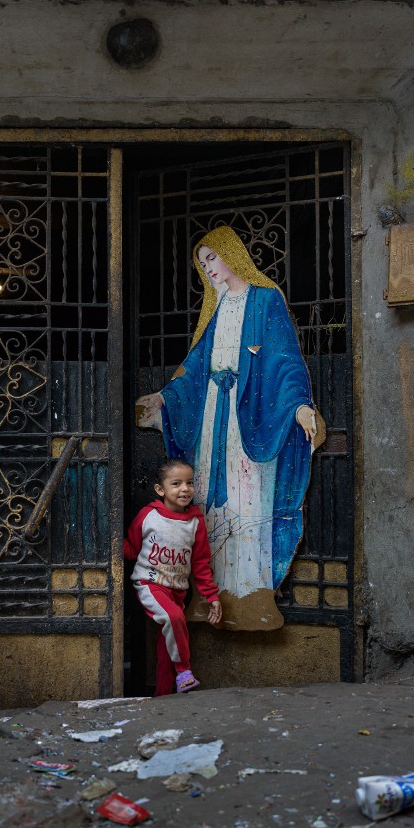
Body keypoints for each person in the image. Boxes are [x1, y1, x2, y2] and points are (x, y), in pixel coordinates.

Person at [136, 225, 317, 632]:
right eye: (202, 264)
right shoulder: (215, 311)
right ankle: (206, 594)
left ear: (232, 254)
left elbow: (285, 360)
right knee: (206, 503)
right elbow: (196, 367)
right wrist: (164, 398)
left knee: (247, 499)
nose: (209, 269)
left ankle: (253, 596)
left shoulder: (266, 300)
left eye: (212, 258)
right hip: (212, 419)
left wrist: (300, 406)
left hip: (250, 417)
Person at [124, 458, 222, 696]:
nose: (184, 489)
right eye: (176, 483)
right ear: (161, 489)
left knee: (168, 643)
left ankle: (163, 694)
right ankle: (184, 672)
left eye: (189, 483)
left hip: (178, 589)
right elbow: (132, 547)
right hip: (150, 583)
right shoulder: (148, 516)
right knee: (174, 617)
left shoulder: (195, 522)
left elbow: (200, 563)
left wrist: (211, 595)